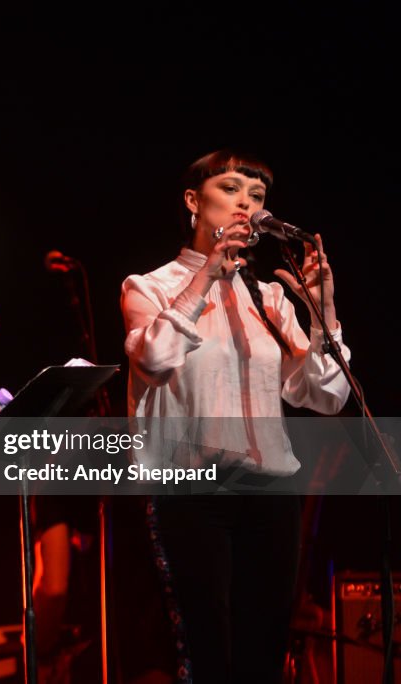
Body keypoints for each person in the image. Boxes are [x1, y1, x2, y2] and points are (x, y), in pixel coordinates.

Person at [120, 150, 350, 683]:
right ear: (193, 202)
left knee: (264, 652)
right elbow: (154, 360)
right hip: (189, 491)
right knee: (206, 650)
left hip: (269, 493)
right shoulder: (148, 287)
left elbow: (326, 394)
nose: (246, 202)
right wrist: (205, 278)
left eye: (257, 195)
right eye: (230, 188)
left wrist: (325, 310)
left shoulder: (270, 297)